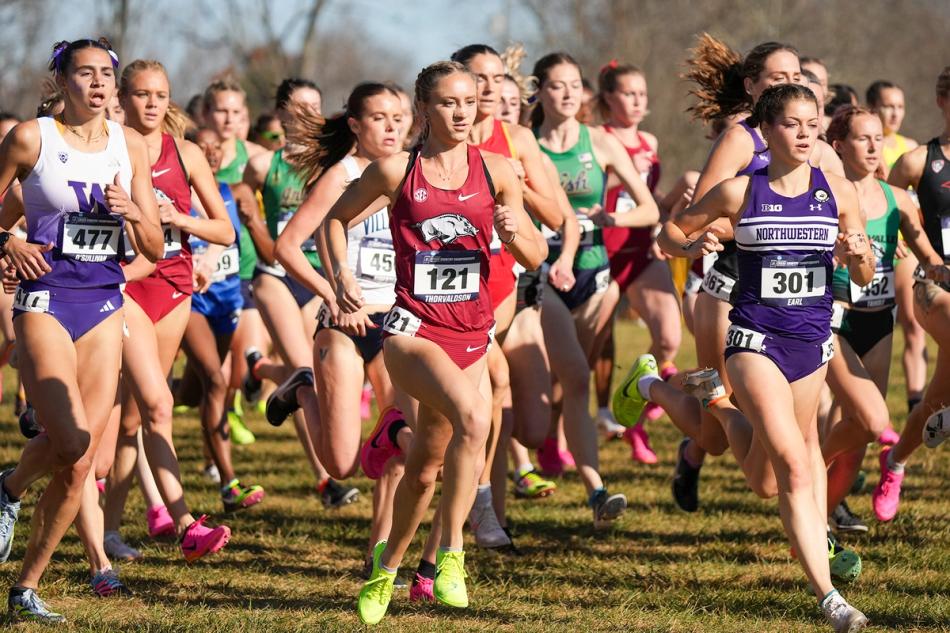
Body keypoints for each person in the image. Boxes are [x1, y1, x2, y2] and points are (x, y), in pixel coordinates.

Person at [658, 83, 873, 633]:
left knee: (768, 481)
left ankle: (717, 403)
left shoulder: (838, 191)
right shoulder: (738, 192)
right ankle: (830, 598)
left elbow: (865, 274)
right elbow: (672, 232)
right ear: (769, 131)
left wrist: (858, 255)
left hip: (812, 344)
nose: (805, 134)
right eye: (793, 124)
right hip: (753, 340)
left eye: (812, 123)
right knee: (798, 466)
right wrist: (691, 246)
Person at [343, 60, 545, 624]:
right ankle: (452, 556)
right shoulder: (395, 172)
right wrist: (342, 277)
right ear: (425, 109)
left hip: (472, 332)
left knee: (427, 468)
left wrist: (516, 232)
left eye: (470, 102)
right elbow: (334, 221)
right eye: (449, 103)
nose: (462, 113)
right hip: (411, 329)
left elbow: (536, 256)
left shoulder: (498, 169)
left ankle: (388, 566)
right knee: (475, 422)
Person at [0, 38, 164, 623]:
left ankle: (25, 587)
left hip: (103, 303)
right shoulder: (30, 138)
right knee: (68, 438)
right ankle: (11, 488)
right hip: (44, 299)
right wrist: (9, 240)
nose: (98, 84)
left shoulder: (130, 147)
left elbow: (154, 245)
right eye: (85, 73)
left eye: (105, 75)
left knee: (81, 463)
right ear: (62, 81)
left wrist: (134, 213)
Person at [101, 58, 237, 571]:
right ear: (124, 98)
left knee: (138, 413)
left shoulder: (187, 154)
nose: (152, 103)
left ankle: (111, 527)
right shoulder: (108, 150)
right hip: (125, 284)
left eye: (161, 94)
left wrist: (176, 217)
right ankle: (180, 523)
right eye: (141, 94)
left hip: (175, 285)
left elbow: (223, 231)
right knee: (150, 407)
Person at [273, 81, 414, 570]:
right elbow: (288, 247)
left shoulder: (414, 172)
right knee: (341, 463)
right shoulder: (343, 176)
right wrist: (334, 295)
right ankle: (304, 390)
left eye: (400, 116)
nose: (393, 125)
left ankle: (381, 554)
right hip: (344, 324)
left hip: (397, 321)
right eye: (380, 117)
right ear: (355, 125)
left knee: (402, 438)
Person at [532, 51, 658, 520]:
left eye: (573, 85)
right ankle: (594, 487)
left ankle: (554, 444)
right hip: (543, 274)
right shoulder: (527, 145)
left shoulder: (600, 144)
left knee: (574, 376)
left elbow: (649, 210)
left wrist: (612, 216)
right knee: (571, 375)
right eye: (556, 86)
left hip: (594, 273)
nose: (567, 94)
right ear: (540, 92)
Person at [823, 105, 944, 531]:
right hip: (833, 321)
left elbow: (928, 254)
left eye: (878, 138)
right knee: (846, 419)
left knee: (859, 437)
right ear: (838, 145)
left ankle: (819, 514)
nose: (875, 147)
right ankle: (801, 478)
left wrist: (939, 270)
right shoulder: (825, 194)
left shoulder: (896, 200)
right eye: (863, 138)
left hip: (878, 321)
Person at [243, 78, 359, 507]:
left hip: (318, 275)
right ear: (281, 113)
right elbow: (238, 198)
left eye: (316, 106)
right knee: (302, 368)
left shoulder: (337, 163)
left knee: (306, 373)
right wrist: (253, 221)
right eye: (298, 107)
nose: (308, 114)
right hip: (276, 271)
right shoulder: (262, 164)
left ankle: (257, 370)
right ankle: (326, 480)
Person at [594, 60, 683, 458]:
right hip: (601, 252)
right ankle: (561, 435)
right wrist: (619, 173)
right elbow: (589, 192)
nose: (637, 100)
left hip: (641, 252)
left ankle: (637, 415)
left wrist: (680, 195)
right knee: (589, 349)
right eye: (629, 93)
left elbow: (652, 200)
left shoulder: (650, 141)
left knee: (669, 336)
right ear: (608, 98)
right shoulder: (597, 138)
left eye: (642, 94)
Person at [875, 66, 950, 520]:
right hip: (934, 283)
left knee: (938, 394)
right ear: (943, 100)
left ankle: (896, 461)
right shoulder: (919, 161)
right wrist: (898, 240)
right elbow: (883, 205)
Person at [867, 79, 926, 421]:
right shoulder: (865, 145)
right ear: (874, 108)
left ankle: (916, 402)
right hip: (874, 248)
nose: (895, 113)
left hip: (904, 248)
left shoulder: (912, 148)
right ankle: (870, 408)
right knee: (877, 330)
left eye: (900, 106)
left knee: (914, 325)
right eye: (888, 105)